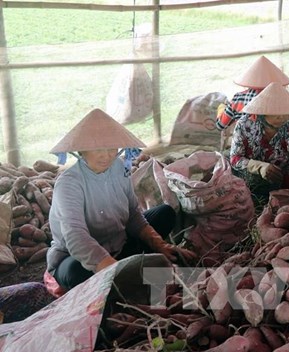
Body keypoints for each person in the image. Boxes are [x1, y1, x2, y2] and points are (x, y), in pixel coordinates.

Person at [46, 109, 196, 291]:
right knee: (74, 273)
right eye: (98, 150)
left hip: (119, 242)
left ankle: (131, 264)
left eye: (111, 148)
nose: (107, 155)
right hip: (76, 257)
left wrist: (159, 243)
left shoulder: (119, 167)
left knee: (165, 213)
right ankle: (126, 269)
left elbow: (133, 213)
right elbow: (76, 237)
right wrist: (113, 268)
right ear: (81, 151)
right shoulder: (69, 184)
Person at [230, 82, 289, 198]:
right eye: (277, 115)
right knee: (253, 184)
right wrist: (259, 167)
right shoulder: (244, 125)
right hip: (254, 173)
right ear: (263, 112)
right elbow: (235, 159)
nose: (282, 118)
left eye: (286, 114)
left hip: (281, 172)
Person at [215, 55, 289, 150]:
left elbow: (220, 125)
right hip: (279, 150)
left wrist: (221, 108)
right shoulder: (284, 100)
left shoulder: (238, 99)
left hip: (246, 150)